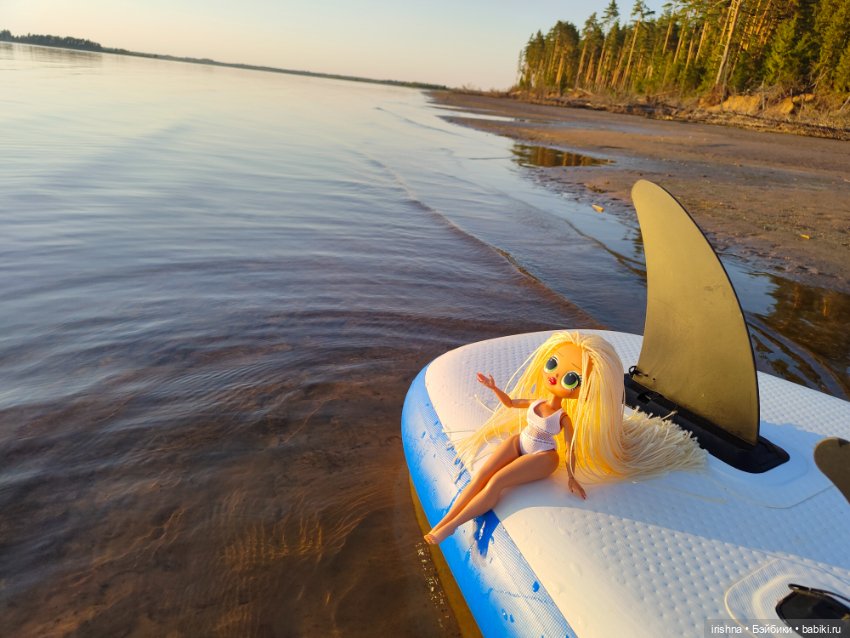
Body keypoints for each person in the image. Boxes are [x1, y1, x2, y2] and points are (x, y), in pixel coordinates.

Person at [424, 331, 704, 545]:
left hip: (543, 457)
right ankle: (444, 521)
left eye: (572, 379)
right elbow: (510, 404)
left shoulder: (563, 417)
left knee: (497, 481)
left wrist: (570, 475)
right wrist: (494, 387)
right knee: (483, 473)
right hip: (520, 442)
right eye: (553, 365)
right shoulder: (536, 401)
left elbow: (569, 448)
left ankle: (451, 526)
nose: (556, 378)